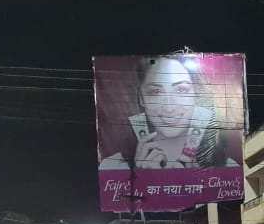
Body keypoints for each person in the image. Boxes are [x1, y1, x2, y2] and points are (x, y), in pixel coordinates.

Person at [99, 54, 239, 171]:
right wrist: (141, 181)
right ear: (141, 98)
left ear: (196, 95)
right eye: (155, 92)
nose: (169, 108)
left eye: (181, 90)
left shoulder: (228, 168)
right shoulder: (112, 167)